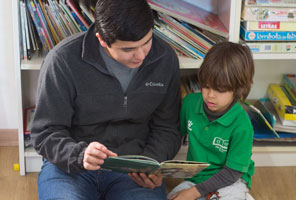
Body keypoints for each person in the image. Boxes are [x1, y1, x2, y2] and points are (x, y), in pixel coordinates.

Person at [31, 0, 182, 199]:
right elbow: (45, 132)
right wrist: (79, 154)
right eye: (128, 50)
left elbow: (167, 127)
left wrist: (151, 163)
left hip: (133, 167)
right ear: (102, 40)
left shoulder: (165, 58)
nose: (141, 55)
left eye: (147, 42)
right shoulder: (62, 61)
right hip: (71, 165)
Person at [168, 41, 255, 200]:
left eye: (220, 90)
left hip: (231, 181)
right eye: (206, 86)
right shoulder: (190, 103)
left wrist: (195, 192)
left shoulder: (242, 126)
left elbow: (233, 172)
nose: (210, 95)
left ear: (238, 89)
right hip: (195, 179)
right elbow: (173, 135)